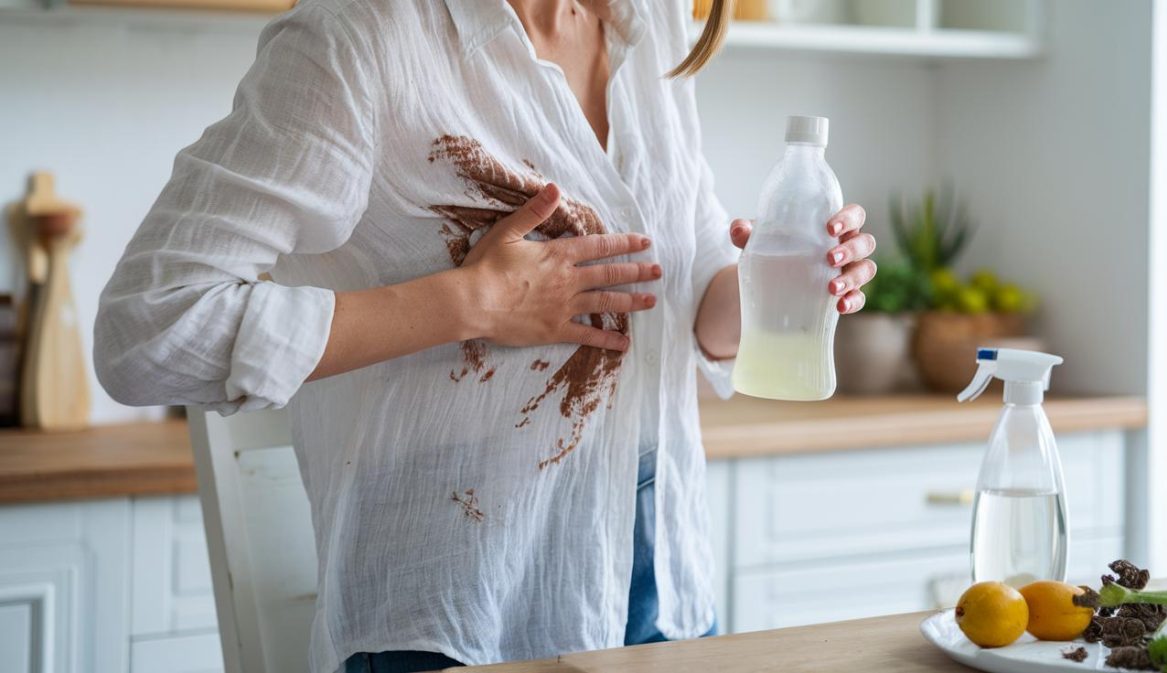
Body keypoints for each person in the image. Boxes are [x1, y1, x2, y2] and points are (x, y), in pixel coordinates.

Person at [94, 0, 876, 671]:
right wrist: (470, 302)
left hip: (661, 584)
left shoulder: (650, 19)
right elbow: (149, 326)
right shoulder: (364, 37)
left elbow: (685, 288)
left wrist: (784, 280)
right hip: (454, 615)